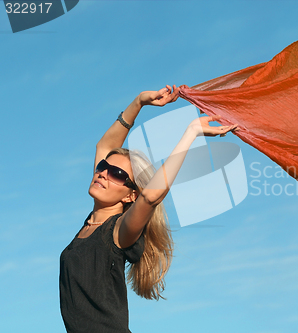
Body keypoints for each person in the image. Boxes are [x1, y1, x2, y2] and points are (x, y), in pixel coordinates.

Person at [59, 85, 239, 333]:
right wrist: (139, 102)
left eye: (117, 174)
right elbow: (105, 146)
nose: (102, 174)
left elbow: (151, 196)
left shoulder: (119, 231)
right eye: (102, 167)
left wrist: (191, 133)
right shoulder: (91, 223)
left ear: (131, 194)